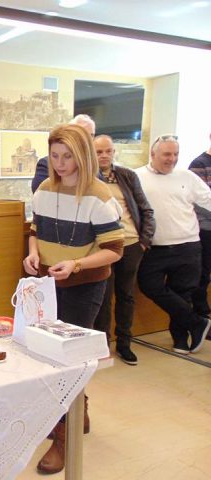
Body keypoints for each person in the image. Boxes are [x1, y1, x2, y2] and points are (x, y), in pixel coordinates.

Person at [24, 124, 123, 475]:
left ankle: (64, 437)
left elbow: (114, 250)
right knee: (46, 356)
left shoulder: (99, 196)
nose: (60, 163)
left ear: (81, 155)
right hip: (47, 284)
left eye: (67, 156)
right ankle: (76, 411)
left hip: (84, 285)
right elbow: (35, 230)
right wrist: (33, 254)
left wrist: (76, 264)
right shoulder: (44, 190)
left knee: (68, 361)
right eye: (54, 156)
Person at [136, 134, 211, 354]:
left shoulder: (187, 176)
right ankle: (197, 322)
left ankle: (180, 340)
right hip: (154, 248)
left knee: (182, 293)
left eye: (176, 154)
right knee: (148, 285)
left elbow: (208, 199)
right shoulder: (137, 176)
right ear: (153, 154)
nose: (172, 159)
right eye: (167, 154)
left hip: (188, 245)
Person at [92, 135, 155, 365]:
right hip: (103, 247)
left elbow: (146, 209)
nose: (104, 156)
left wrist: (144, 241)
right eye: (99, 152)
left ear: (114, 152)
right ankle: (102, 344)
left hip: (131, 244)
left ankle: (125, 343)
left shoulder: (127, 176)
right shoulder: (88, 178)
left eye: (108, 151)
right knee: (103, 297)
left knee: (126, 295)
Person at [31, 114, 96, 193]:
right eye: (80, 135)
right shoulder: (46, 165)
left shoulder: (95, 169)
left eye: (91, 135)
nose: (86, 140)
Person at [188, 132, 211, 338]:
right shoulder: (199, 164)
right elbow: (200, 202)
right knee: (202, 275)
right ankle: (201, 317)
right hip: (205, 230)